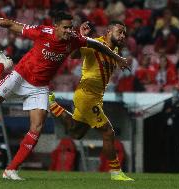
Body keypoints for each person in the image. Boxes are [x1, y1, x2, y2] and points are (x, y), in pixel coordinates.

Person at [0, 10, 129, 180]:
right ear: (55, 26)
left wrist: (118, 58)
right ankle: (1, 64)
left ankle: (11, 170)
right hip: (21, 76)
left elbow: (97, 45)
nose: (68, 31)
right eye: (65, 28)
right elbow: (9, 23)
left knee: (37, 127)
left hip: (40, 87)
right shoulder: (42, 32)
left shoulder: (73, 38)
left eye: (70, 27)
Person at [49, 21, 134, 181]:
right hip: (86, 95)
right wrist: (82, 37)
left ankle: (53, 106)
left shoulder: (115, 50)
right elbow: (73, 55)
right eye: (119, 32)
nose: (123, 36)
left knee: (76, 132)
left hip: (94, 97)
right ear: (108, 31)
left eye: (124, 33)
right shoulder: (95, 43)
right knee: (108, 132)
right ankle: (116, 173)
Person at [162, 87, 179, 172]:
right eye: (174, 91)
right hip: (168, 130)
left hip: (178, 129)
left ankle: (178, 168)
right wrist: (176, 110)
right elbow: (163, 113)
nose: (175, 92)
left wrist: (171, 111)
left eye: (177, 91)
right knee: (168, 149)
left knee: (178, 149)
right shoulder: (167, 102)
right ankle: (169, 168)